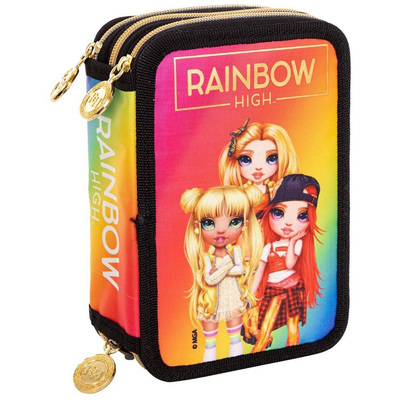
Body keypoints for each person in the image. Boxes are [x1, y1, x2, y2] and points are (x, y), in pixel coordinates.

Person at [180, 184, 263, 362]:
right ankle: (206, 370)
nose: (221, 230)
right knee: (210, 343)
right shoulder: (206, 257)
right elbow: (210, 279)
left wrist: (221, 270)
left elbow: (239, 269)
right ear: (197, 226)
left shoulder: (235, 251)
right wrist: (227, 266)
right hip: (211, 302)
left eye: (234, 222)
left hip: (233, 298)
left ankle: (237, 368)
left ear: (245, 225)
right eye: (209, 223)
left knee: (235, 339)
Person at [248, 174, 323, 352]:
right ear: (268, 214)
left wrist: (292, 242)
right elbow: (260, 271)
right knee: (265, 326)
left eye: (302, 216)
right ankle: (256, 354)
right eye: (279, 213)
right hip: (273, 289)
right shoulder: (269, 247)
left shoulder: (297, 244)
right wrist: (251, 294)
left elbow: (290, 264)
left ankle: (292, 353)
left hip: (292, 288)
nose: (288, 223)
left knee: (292, 327)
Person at [218, 119, 299, 213]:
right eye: (246, 160)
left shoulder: (276, 192)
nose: (258, 167)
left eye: (271, 159)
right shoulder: (239, 195)